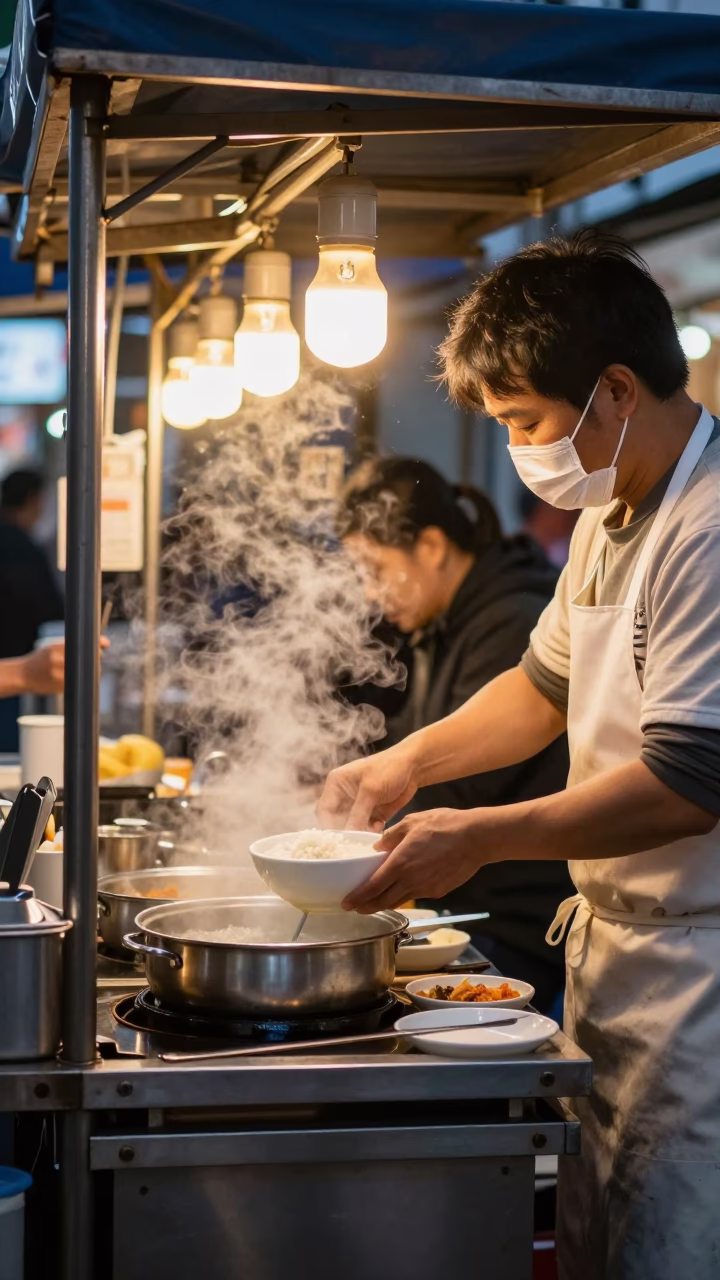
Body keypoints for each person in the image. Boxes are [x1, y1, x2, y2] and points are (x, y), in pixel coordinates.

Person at [318, 230, 720, 1280]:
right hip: (617, 960)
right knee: (598, 1244)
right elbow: (541, 689)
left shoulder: (710, 526)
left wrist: (481, 835)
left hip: (702, 977)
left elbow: (691, 780)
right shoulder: (609, 507)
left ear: (618, 388)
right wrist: (407, 762)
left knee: (672, 1249)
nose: (518, 451)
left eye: (527, 421)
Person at [338, 455, 572, 1014]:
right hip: (466, 907)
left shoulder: (512, 616)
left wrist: (336, 842)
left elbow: (459, 787)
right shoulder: (442, 620)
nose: (372, 595)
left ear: (433, 547)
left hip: (515, 925)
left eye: (376, 570)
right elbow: (417, 737)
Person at [0, 468, 64, 751]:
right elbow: (48, 606)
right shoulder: (22, 548)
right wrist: (27, 672)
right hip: (14, 668)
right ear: (34, 499)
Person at [519, 490, 578, 569]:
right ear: (539, 512)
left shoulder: (566, 547)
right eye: (554, 509)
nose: (565, 515)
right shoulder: (518, 557)